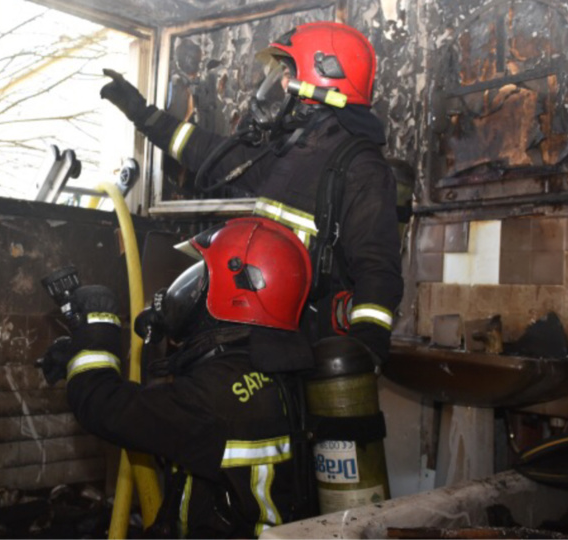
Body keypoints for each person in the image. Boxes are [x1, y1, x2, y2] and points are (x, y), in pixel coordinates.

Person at [100, 21, 403, 364]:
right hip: (266, 339)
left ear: (324, 82)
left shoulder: (361, 169)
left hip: (310, 352)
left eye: (290, 73)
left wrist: (364, 352)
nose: (283, 84)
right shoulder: (291, 153)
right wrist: (141, 113)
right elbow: (208, 153)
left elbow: (377, 270)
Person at [40, 217, 314, 538]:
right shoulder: (282, 369)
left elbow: (102, 405)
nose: (188, 292)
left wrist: (98, 332)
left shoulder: (214, 397)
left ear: (235, 290)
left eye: (200, 281)